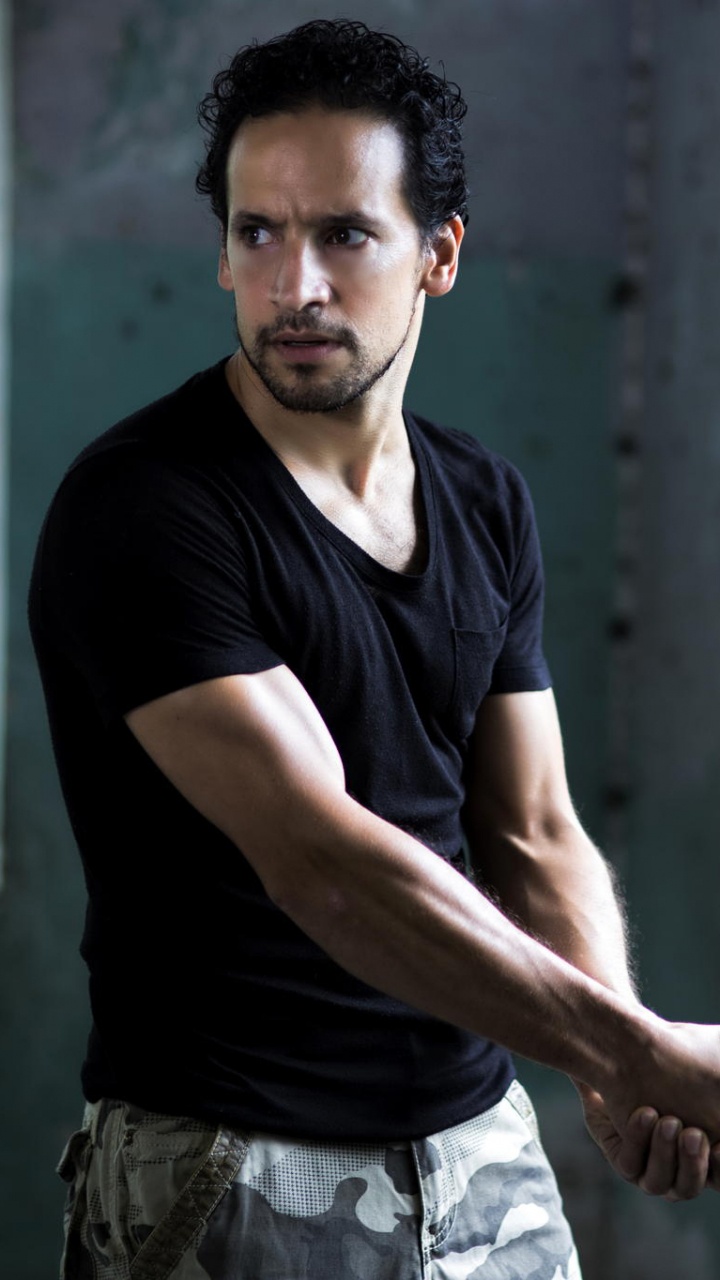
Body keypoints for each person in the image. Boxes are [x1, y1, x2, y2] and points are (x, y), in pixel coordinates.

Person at [29, 18, 720, 1280]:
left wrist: (614, 1071)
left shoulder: (485, 498)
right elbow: (326, 861)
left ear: (438, 253)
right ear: (223, 252)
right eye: (258, 233)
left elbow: (534, 830)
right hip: (234, 1165)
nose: (294, 285)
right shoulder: (145, 507)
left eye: (344, 234)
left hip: (482, 1148)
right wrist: (636, 1053)